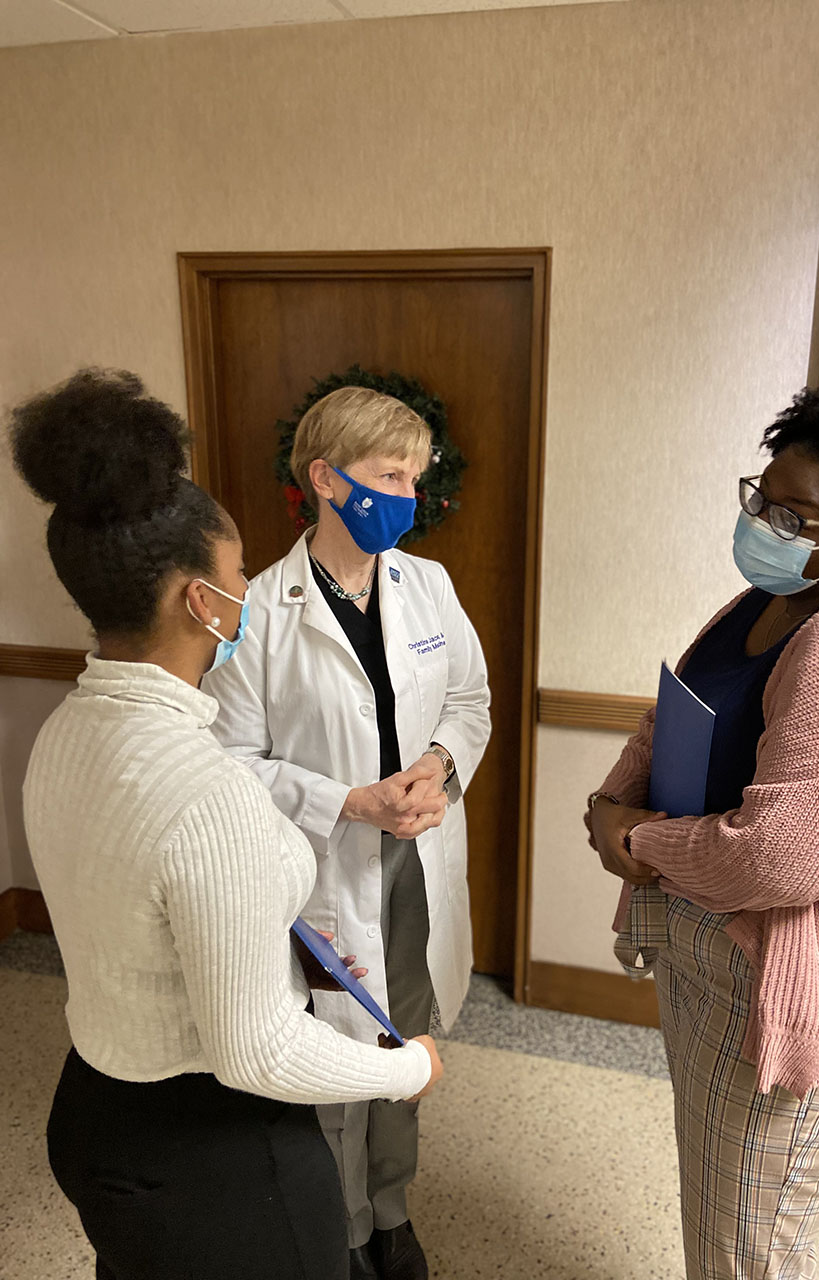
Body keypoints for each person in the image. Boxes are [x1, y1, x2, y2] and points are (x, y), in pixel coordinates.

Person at [10, 369, 443, 1280]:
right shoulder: (209, 796)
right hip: (213, 1156)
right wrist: (411, 1072)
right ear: (202, 604)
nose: (248, 584)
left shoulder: (65, 733)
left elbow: (148, 903)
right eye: (236, 572)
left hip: (96, 1110)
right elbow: (258, 1052)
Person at [586, 382, 819, 1280]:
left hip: (800, 990)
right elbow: (674, 713)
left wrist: (637, 844)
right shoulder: (763, 602)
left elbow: (786, 856)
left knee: (752, 1245)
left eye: (795, 515)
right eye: (761, 497)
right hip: (714, 964)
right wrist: (611, 803)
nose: (765, 523)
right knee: (720, 1214)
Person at [203, 386, 491, 1280]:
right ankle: (342, 1225)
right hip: (320, 869)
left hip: (417, 859)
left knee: (403, 1043)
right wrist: (348, 802)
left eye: (415, 474)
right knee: (333, 1047)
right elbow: (230, 757)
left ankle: (392, 1213)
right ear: (327, 478)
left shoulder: (427, 584)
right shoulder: (259, 612)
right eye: (389, 475)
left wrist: (437, 767)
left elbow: (469, 702)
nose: (408, 494)